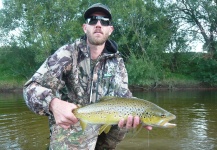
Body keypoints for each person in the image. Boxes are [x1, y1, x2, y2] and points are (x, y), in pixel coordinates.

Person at [23, 3, 152, 150]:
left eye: (104, 21)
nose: (98, 24)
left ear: (110, 30)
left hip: (104, 127)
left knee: (122, 124)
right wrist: (53, 104)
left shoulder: (117, 62)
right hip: (73, 125)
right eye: (93, 20)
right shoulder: (67, 54)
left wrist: (143, 113)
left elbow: (124, 96)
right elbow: (30, 89)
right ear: (85, 27)